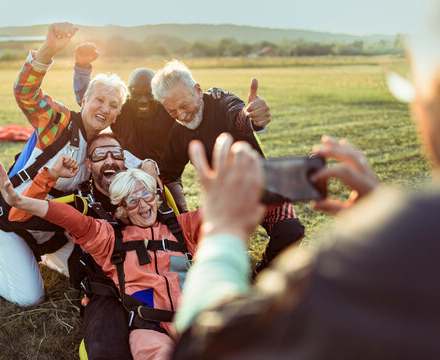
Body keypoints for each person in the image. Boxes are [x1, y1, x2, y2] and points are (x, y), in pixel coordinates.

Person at [171, 6, 440, 357]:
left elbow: (207, 344)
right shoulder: (412, 235)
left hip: (258, 204)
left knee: (290, 230)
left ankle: (260, 273)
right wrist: (386, 220)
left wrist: (222, 235)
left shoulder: (368, 256)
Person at [0, 22, 128, 307]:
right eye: (99, 99)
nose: (105, 109)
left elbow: (128, 164)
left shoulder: (103, 146)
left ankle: (34, 256)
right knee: (29, 297)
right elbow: (25, 92)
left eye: (113, 105)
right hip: (9, 219)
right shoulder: (58, 122)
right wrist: (49, 49)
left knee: (88, 269)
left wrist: (148, 166)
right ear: (85, 99)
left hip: (51, 227)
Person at [0, 154, 204, 360]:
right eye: (132, 200)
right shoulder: (110, 238)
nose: (143, 204)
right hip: (149, 328)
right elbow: (68, 217)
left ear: (155, 198)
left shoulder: (181, 227)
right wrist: (19, 201)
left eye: (147, 195)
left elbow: (225, 213)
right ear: (122, 208)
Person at [151, 60, 305, 271]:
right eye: (172, 111)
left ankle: (262, 272)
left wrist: (253, 119)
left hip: (261, 189)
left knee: (290, 230)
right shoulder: (179, 132)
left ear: (197, 90)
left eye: (184, 105)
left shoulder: (220, 100)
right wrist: (181, 214)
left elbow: (238, 116)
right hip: (224, 203)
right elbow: (168, 174)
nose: (181, 115)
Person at [73, 45, 190, 212]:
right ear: (128, 94)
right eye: (137, 93)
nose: (143, 100)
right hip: (122, 173)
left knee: (179, 213)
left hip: (164, 176)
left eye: (149, 94)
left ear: (158, 93)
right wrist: (82, 68)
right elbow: (89, 100)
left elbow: (191, 112)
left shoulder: (168, 111)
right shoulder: (120, 110)